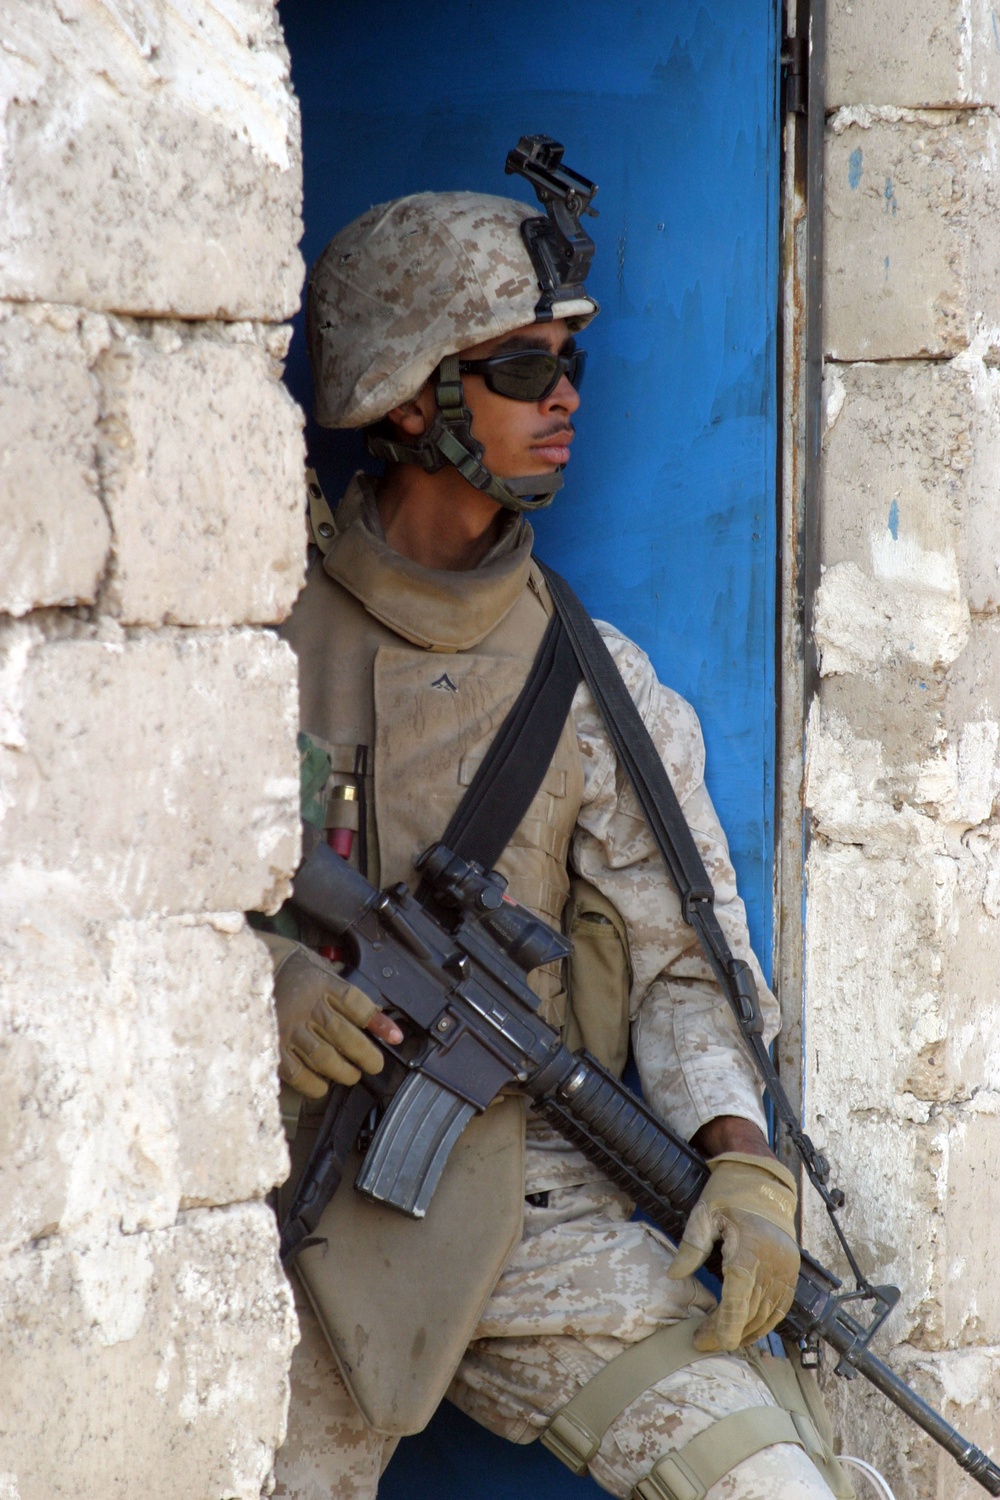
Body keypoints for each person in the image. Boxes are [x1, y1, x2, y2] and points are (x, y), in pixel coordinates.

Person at [259, 169, 849, 1500]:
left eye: (570, 363)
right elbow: (103, 906)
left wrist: (741, 1164)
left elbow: (683, 961)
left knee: (779, 1481)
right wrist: (273, 993)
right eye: (522, 368)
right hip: (278, 1206)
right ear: (407, 395)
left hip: (524, 1201)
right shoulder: (242, 646)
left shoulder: (598, 684)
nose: (566, 397)